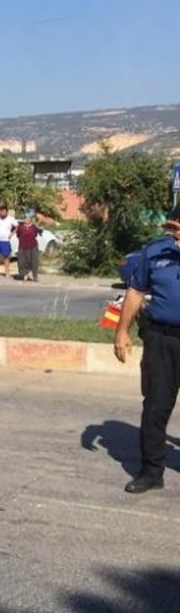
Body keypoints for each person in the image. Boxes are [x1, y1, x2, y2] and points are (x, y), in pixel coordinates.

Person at [115, 205, 180, 493]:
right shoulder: (155, 251)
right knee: (155, 405)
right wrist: (122, 331)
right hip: (161, 339)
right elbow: (135, 291)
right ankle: (152, 471)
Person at [15, 215, 41, 282]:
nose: (27, 220)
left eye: (28, 218)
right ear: (23, 219)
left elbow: (36, 234)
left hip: (33, 246)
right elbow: (18, 235)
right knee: (22, 262)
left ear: (30, 220)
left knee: (34, 261)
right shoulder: (20, 227)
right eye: (25, 218)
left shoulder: (34, 227)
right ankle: (25, 275)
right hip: (22, 246)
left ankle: (35, 276)